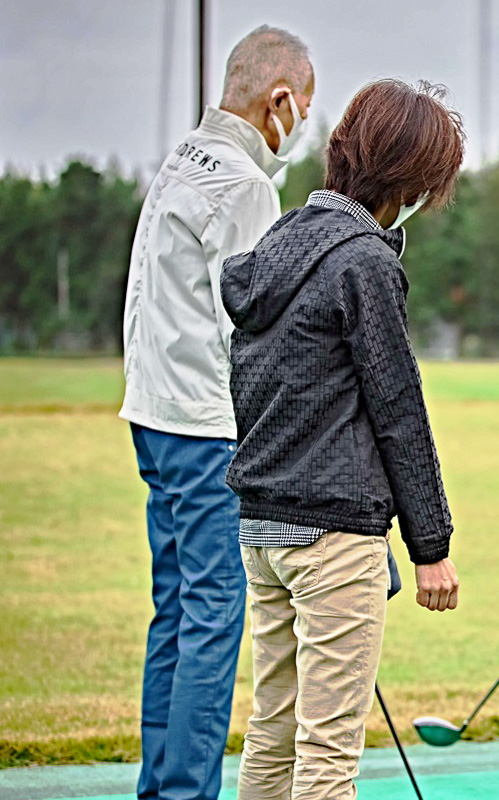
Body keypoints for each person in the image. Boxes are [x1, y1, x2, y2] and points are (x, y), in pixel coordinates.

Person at [220, 78, 465, 800]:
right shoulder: (365, 261)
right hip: (332, 537)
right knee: (327, 755)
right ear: (410, 178)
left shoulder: (279, 243)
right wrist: (432, 548)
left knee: (273, 731)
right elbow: (399, 408)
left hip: (263, 532)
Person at [119, 25, 313, 800]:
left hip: (154, 415)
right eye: (304, 108)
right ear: (280, 101)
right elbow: (255, 332)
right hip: (204, 429)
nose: (301, 125)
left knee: (175, 608)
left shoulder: (181, 160)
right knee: (210, 617)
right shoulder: (245, 185)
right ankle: (183, 793)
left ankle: (159, 788)